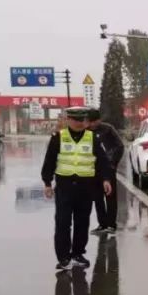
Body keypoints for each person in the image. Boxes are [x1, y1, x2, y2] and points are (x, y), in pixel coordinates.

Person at [41, 106, 113, 271]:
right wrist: (47, 182)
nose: (80, 123)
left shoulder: (92, 138)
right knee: (62, 222)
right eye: (76, 120)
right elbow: (49, 161)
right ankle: (63, 257)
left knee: (82, 222)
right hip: (65, 186)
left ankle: (78, 253)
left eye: (83, 120)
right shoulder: (58, 137)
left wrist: (106, 179)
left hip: (85, 187)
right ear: (68, 120)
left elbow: (102, 161)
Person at [86, 108, 124, 234]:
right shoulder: (85, 131)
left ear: (99, 120)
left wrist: (113, 163)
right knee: (97, 198)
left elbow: (120, 146)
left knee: (110, 197)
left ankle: (111, 224)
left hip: (107, 168)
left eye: (94, 121)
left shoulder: (108, 129)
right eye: (89, 122)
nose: (91, 124)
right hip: (92, 169)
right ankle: (102, 224)